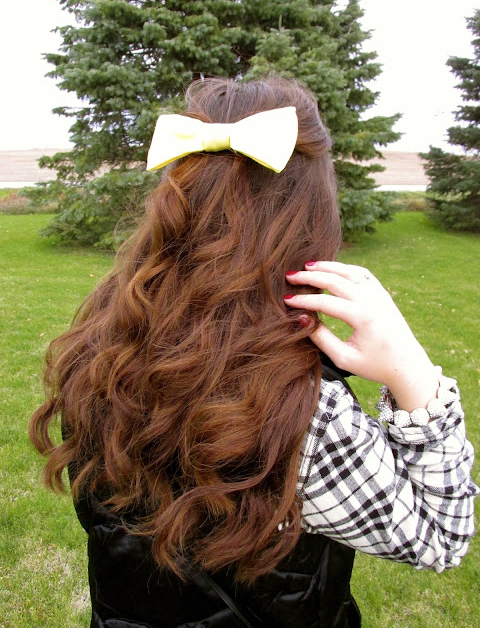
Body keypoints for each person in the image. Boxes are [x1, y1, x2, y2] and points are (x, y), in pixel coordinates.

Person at [29, 77, 478, 628]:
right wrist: (411, 372)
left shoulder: (105, 346)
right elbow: (440, 535)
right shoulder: (299, 413)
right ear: (313, 211)